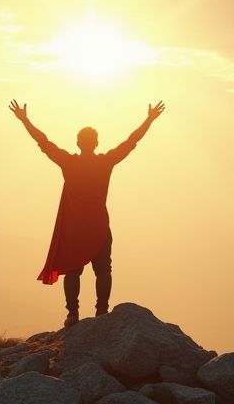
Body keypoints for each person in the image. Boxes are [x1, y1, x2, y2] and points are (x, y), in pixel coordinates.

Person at [9, 99, 165, 327]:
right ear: (97, 143)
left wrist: (24, 120)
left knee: (73, 271)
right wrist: (149, 119)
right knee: (104, 270)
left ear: (78, 143)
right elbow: (130, 142)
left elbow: (43, 142)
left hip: (75, 229)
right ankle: (102, 311)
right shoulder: (106, 162)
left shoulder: (68, 162)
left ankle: (72, 315)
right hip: (99, 226)